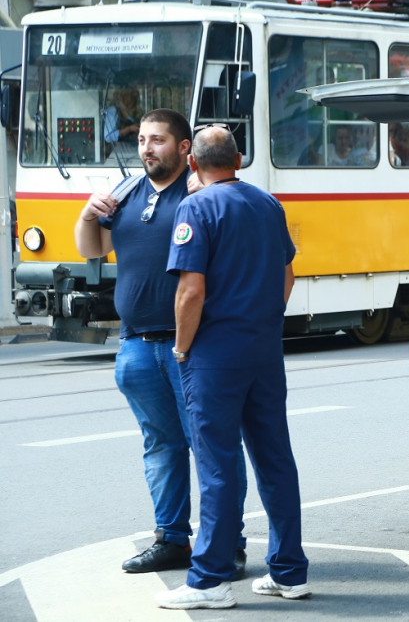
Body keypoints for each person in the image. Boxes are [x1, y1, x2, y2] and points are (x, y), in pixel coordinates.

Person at [74, 109, 248, 576]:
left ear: (185, 148)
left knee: (214, 446)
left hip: (193, 346)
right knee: (161, 446)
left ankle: (227, 540)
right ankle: (171, 538)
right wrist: (88, 213)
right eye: (143, 140)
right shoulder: (127, 194)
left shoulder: (201, 195)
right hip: (136, 345)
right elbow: (92, 249)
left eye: (158, 140)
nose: (147, 148)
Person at [155, 126, 308, 609]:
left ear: (194, 165)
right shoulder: (267, 204)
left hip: (215, 355)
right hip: (263, 349)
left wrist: (182, 347)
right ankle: (289, 572)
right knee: (275, 459)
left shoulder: (195, 208)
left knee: (218, 464)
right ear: (238, 159)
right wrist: (261, 318)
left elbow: (191, 290)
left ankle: (209, 580)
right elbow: (287, 273)